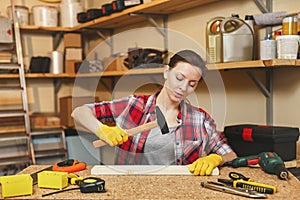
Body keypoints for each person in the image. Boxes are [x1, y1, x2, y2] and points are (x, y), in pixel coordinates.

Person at [71, 49, 237, 176]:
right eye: (179, 78)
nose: (183, 87)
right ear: (166, 72)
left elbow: (230, 154)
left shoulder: (200, 119)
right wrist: (101, 130)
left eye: (192, 84)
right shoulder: (133, 106)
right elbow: (79, 112)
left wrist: (216, 159)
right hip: (132, 189)